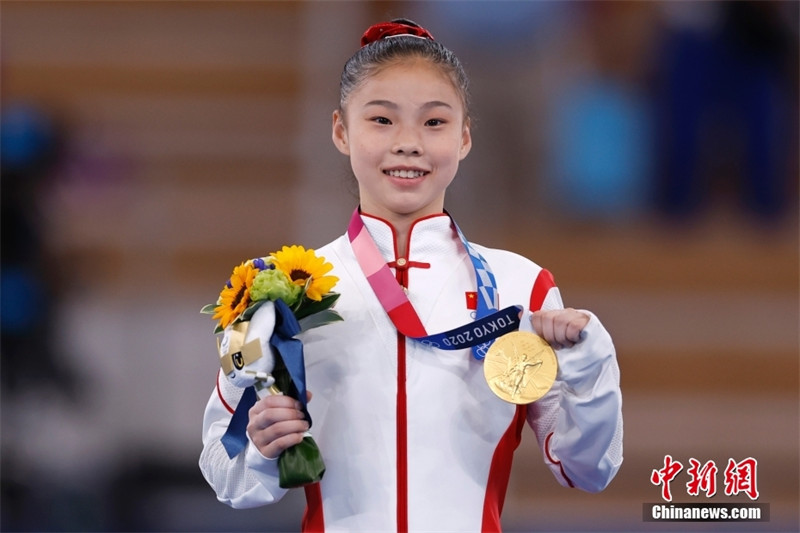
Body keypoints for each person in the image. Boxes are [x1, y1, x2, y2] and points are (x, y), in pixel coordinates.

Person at [200, 19, 623, 532]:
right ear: (340, 130)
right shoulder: (280, 290)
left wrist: (589, 364)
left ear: (465, 137)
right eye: (381, 120)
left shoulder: (522, 287)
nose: (408, 143)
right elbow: (225, 467)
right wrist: (263, 449)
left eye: (434, 123)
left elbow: (587, 469)